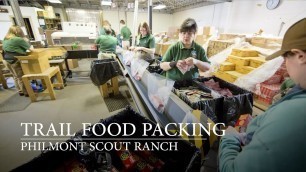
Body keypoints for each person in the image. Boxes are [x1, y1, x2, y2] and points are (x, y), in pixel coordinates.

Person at [219, 18, 306, 172]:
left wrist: (229, 138)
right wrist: (262, 122)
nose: (285, 64)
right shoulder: (297, 93)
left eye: (285, 58)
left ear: (300, 56)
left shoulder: (294, 114)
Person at [2, 25, 32, 96]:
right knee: (21, 76)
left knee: (15, 76)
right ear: (18, 32)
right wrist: (25, 40)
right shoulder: (18, 39)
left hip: (6, 59)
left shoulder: (5, 39)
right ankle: (26, 92)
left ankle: (20, 91)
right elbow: (30, 48)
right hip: (15, 60)